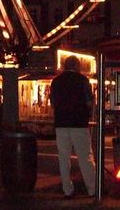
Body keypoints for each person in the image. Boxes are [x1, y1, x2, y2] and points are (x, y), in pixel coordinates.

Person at [50, 55, 96, 198]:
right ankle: (92, 189)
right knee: (85, 157)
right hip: (79, 124)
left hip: (61, 123)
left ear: (65, 66)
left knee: (63, 158)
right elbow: (89, 102)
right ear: (77, 65)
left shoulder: (56, 82)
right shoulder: (83, 80)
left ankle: (67, 189)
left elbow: (53, 103)